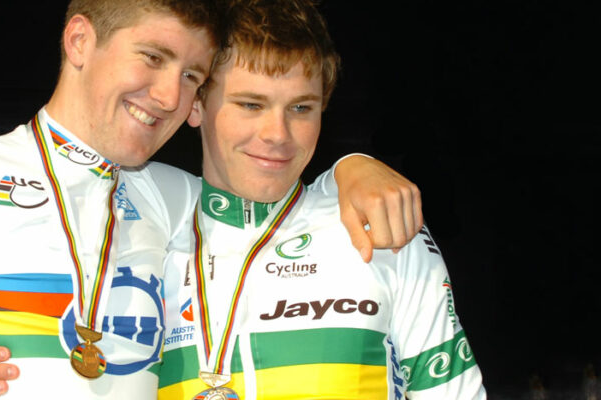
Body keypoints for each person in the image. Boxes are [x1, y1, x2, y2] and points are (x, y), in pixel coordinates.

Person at [0, 0, 422, 399]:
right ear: (80, 41)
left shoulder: (173, 198)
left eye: (191, 75)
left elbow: (277, 201)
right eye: (153, 57)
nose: (170, 96)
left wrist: (352, 168)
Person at [156, 0, 486, 398]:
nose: (277, 134)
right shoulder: (146, 234)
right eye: (251, 104)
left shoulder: (378, 226)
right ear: (196, 104)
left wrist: (353, 164)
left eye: (300, 107)